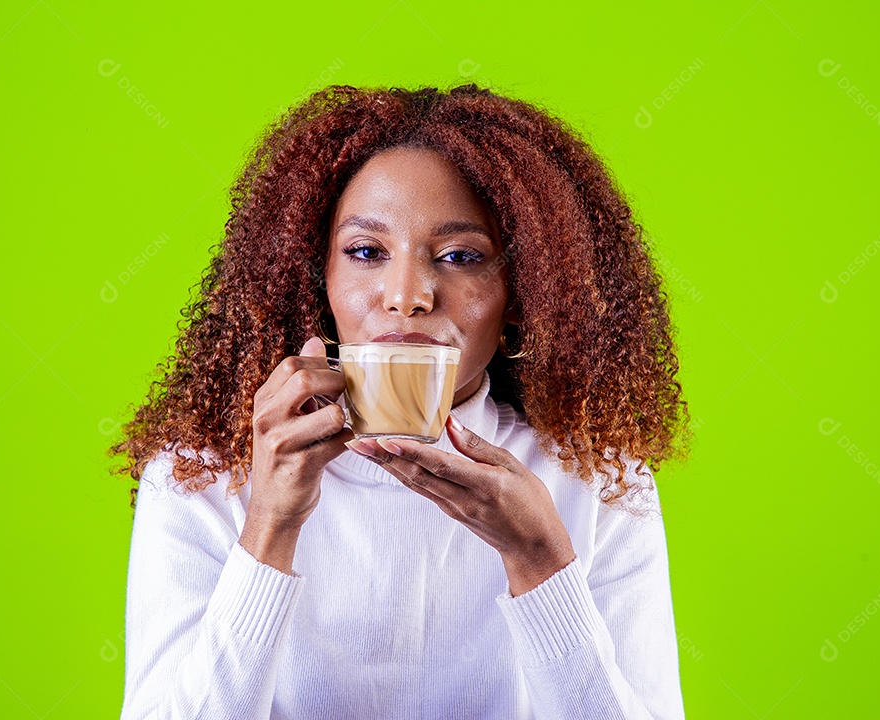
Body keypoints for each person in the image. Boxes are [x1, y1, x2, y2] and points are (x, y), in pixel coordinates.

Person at [109, 83, 692, 719]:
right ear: (318, 280)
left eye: (460, 256)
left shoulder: (598, 478)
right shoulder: (205, 476)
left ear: (523, 295)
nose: (407, 294)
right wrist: (270, 526)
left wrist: (539, 560)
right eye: (366, 252)